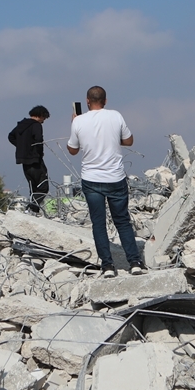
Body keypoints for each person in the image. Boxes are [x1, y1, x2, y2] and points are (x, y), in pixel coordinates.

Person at [67, 86, 145, 277]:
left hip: (91, 179)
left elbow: (73, 150)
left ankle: (108, 266)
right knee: (122, 221)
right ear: (105, 100)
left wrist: (75, 124)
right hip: (115, 177)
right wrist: (110, 139)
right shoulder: (116, 116)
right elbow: (129, 141)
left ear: (87, 101)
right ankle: (134, 262)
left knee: (98, 223)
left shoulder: (79, 121)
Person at [8, 105, 50, 213]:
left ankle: (33, 212)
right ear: (40, 116)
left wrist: (22, 147)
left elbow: (11, 136)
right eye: (43, 118)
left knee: (33, 187)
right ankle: (32, 208)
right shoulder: (36, 125)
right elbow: (39, 140)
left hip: (23, 161)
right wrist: (39, 153)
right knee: (43, 186)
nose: (43, 121)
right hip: (35, 160)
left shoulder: (22, 125)